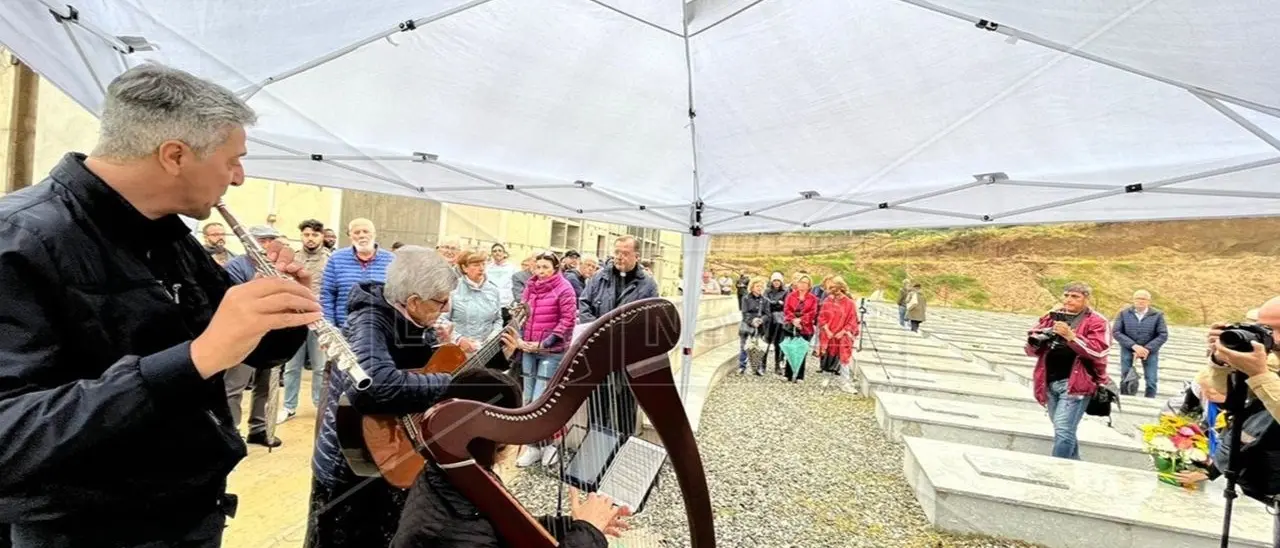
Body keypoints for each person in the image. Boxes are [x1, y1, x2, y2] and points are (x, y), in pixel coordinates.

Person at [0, 62, 315, 547]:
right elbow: (11, 435)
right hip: (84, 532)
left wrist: (281, 314)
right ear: (174, 156)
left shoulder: (168, 236)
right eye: (232, 160)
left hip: (187, 516)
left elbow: (246, 352)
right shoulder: (19, 238)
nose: (239, 178)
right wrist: (195, 358)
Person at [307, 246, 479, 548]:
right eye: (440, 302)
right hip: (349, 468)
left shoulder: (408, 317)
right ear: (412, 301)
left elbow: (409, 366)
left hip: (383, 455)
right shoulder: (370, 321)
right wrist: (449, 384)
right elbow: (373, 387)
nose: (446, 307)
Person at [391, 368, 629, 548]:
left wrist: (573, 525)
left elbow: (508, 525)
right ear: (498, 438)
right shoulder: (455, 529)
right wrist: (588, 532)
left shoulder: (453, 474)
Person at [578, 235, 659, 440]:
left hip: (627, 353)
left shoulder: (647, 284)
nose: (619, 257)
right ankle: (595, 444)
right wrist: (597, 330)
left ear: (637, 256)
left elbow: (650, 318)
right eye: (617, 252)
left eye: (625, 253)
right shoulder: (599, 277)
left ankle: (623, 445)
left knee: (625, 403)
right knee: (598, 400)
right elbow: (584, 304)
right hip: (600, 349)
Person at [1024, 282, 1112, 461]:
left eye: (1075, 296)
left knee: (1064, 429)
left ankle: (1058, 470)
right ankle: (1074, 465)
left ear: (1086, 299)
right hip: (1048, 381)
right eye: (1066, 296)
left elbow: (1099, 351)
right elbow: (1030, 349)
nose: (1069, 300)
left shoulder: (1096, 321)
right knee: (1063, 429)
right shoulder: (1053, 316)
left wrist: (1071, 337)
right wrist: (1040, 336)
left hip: (1076, 383)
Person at [222, 224, 290, 447]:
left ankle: (259, 429)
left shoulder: (277, 267)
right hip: (244, 333)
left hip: (272, 333)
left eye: (271, 240)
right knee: (235, 386)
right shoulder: (236, 265)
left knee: (266, 384)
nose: (268, 245)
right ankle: (231, 431)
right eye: (264, 240)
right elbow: (235, 298)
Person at [515, 251, 578, 468]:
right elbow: (522, 315)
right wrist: (521, 340)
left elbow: (568, 320)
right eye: (538, 267)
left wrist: (545, 343)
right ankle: (534, 446)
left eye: (545, 267)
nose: (541, 271)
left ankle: (553, 443)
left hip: (551, 351)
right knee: (528, 401)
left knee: (543, 399)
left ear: (555, 268)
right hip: (528, 349)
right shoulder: (530, 287)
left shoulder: (564, 288)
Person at [281, 218, 331, 422]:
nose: (310, 239)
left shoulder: (330, 259)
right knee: (292, 366)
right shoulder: (292, 258)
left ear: (322, 236)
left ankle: (320, 405)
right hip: (294, 318)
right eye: (307, 234)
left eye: (315, 234)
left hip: (318, 319)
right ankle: (288, 406)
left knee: (320, 367)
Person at [321, 218, 395, 329]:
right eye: (356, 232)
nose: (361, 235)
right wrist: (330, 328)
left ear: (374, 234)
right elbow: (327, 295)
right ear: (350, 236)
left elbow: (397, 299)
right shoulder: (336, 258)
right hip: (344, 331)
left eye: (366, 231)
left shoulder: (391, 260)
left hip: (380, 331)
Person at [440, 250, 505, 367]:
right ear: (464, 268)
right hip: (458, 352)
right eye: (476, 265)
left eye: (483, 264)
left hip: (487, 353)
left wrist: (492, 339)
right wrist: (459, 339)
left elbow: (498, 320)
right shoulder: (453, 289)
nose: (481, 268)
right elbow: (441, 320)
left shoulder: (493, 290)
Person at [1113, 289, 1169, 398]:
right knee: (1126, 377)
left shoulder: (1157, 315)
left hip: (1150, 351)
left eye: (1143, 299)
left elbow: (1163, 334)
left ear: (1149, 301)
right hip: (1128, 348)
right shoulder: (1123, 314)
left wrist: (1147, 349)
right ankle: (1126, 399)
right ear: (1133, 300)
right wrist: (1134, 346)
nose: (1140, 301)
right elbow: (1116, 332)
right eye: (1137, 298)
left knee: (1151, 380)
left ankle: (1150, 400)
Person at [818, 278, 859, 392]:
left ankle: (845, 382)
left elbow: (852, 320)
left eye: (833, 288)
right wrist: (827, 330)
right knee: (827, 355)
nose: (831, 291)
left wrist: (843, 331)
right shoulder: (828, 301)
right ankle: (826, 377)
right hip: (829, 334)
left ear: (841, 288)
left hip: (843, 335)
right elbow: (822, 317)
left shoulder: (849, 303)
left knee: (844, 357)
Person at [782, 274, 818, 382]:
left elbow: (813, 312)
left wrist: (801, 320)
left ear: (809, 285)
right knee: (790, 349)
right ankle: (787, 374)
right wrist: (793, 320)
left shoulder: (813, 298)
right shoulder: (791, 296)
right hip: (791, 326)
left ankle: (799, 376)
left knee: (802, 351)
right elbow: (786, 309)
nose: (802, 285)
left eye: (805, 283)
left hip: (805, 328)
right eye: (800, 282)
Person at [738, 278, 770, 375]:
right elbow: (744, 312)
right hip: (748, 325)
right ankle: (742, 366)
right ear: (752, 287)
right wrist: (752, 321)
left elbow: (767, 314)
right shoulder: (745, 298)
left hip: (759, 326)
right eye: (757, 286)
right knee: (744, 346)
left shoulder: (765, 300)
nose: (759, 288)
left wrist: (761, 320)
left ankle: (757, 367)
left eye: (761, 286)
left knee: (758, 346)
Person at [764, 272, 790, 375]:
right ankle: (763, 364)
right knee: (766, 341)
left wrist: (773, 303)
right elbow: (766, 302)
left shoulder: (785, 291)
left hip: (780, 320)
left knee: (778, 343)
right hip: (769, 318)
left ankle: (777, 365)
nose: (776, 283)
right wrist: (777, 303)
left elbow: (785, 305)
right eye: (774, 280)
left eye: (778, 281)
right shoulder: (767, 291)